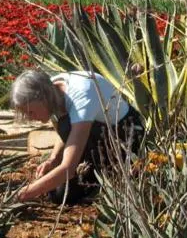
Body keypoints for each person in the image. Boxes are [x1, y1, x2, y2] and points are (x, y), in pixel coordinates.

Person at [11, 69, 144, 204]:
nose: (30, 118)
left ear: (43, 99)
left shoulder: (82, 96)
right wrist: (53, 159)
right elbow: (65, 129)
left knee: (64, 192)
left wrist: (21, 195)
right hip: (96, 136)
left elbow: (67, 168)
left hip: (125, 135)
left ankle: (108, 176)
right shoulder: (52, 89)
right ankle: (91, 175)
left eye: (31, 112)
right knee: (59, 194)